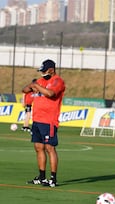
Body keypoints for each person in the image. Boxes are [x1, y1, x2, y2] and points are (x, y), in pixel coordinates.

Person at [22, 59, 66, 187]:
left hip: (49, 120)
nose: (42, 74)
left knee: (50, 148)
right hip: (37, 119)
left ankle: (53, 178)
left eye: (44, 71)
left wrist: (37, 86)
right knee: (38, 148)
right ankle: (41, 177)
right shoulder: (40, 81)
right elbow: (25, 90)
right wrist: (32, 85)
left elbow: (51, 93)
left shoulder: (57, 81)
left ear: (51, 70)